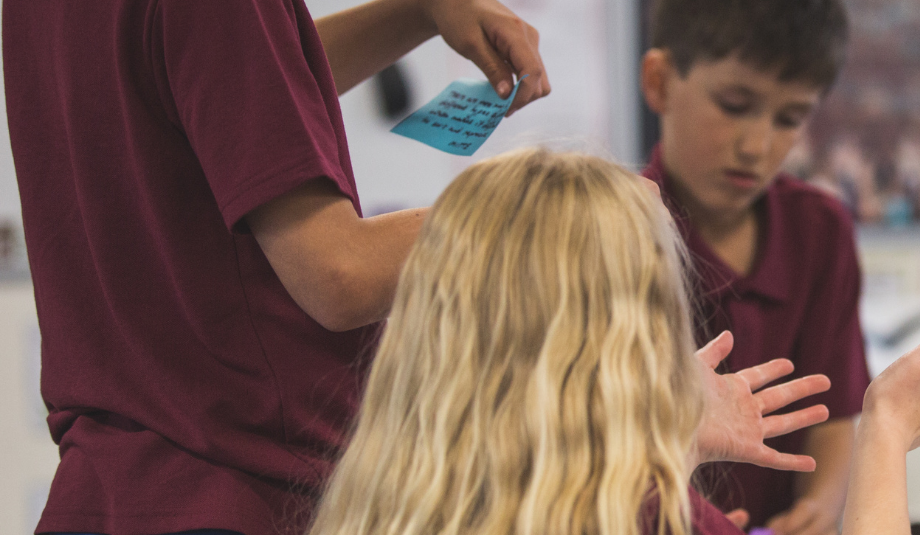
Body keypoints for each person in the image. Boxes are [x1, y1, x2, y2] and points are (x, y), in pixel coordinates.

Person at [2, 0, 550, 533]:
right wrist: (553, 207)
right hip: (234, 486)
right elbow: (337, 275)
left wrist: (417, 12)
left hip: (104, 490)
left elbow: (227, 77)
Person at [305, 148, 920, 535]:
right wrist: (884, 434)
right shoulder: (649, 515)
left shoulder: (397, 500)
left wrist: (667, 442)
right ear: (625, 335)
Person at [637, 0, 868, 532]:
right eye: (734, 104)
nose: (757, 146)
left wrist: (821, 507)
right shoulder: (611, 232)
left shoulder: (821, 231)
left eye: (790, 118)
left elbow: (835, 414)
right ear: (661, 82)